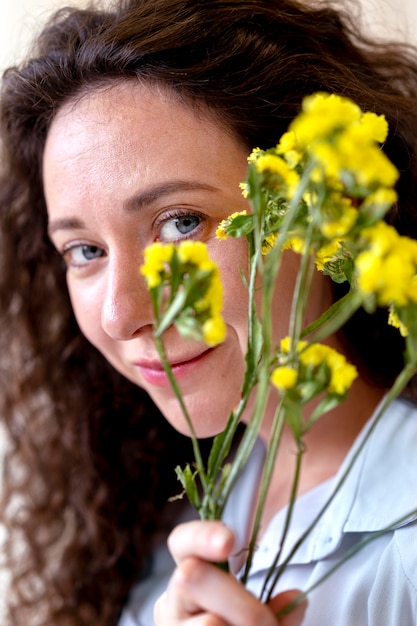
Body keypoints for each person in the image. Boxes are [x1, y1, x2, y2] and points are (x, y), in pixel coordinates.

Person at [1, 0, 417, 624]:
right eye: (84, 250)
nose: (121, 315)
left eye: (180, 223)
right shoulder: (158, 509)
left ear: (326, 207)